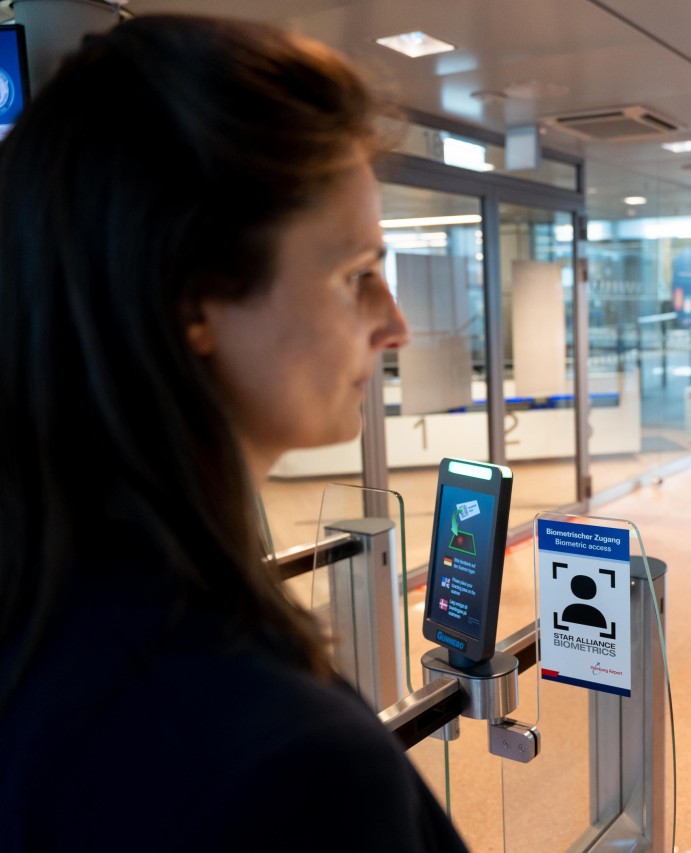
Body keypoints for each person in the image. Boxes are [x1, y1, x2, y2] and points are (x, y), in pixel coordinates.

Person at [0, 15, 467, 851]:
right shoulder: (284, 766)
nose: (393, 324)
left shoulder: (48, 612)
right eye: (355, 275)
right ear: (193, 300)